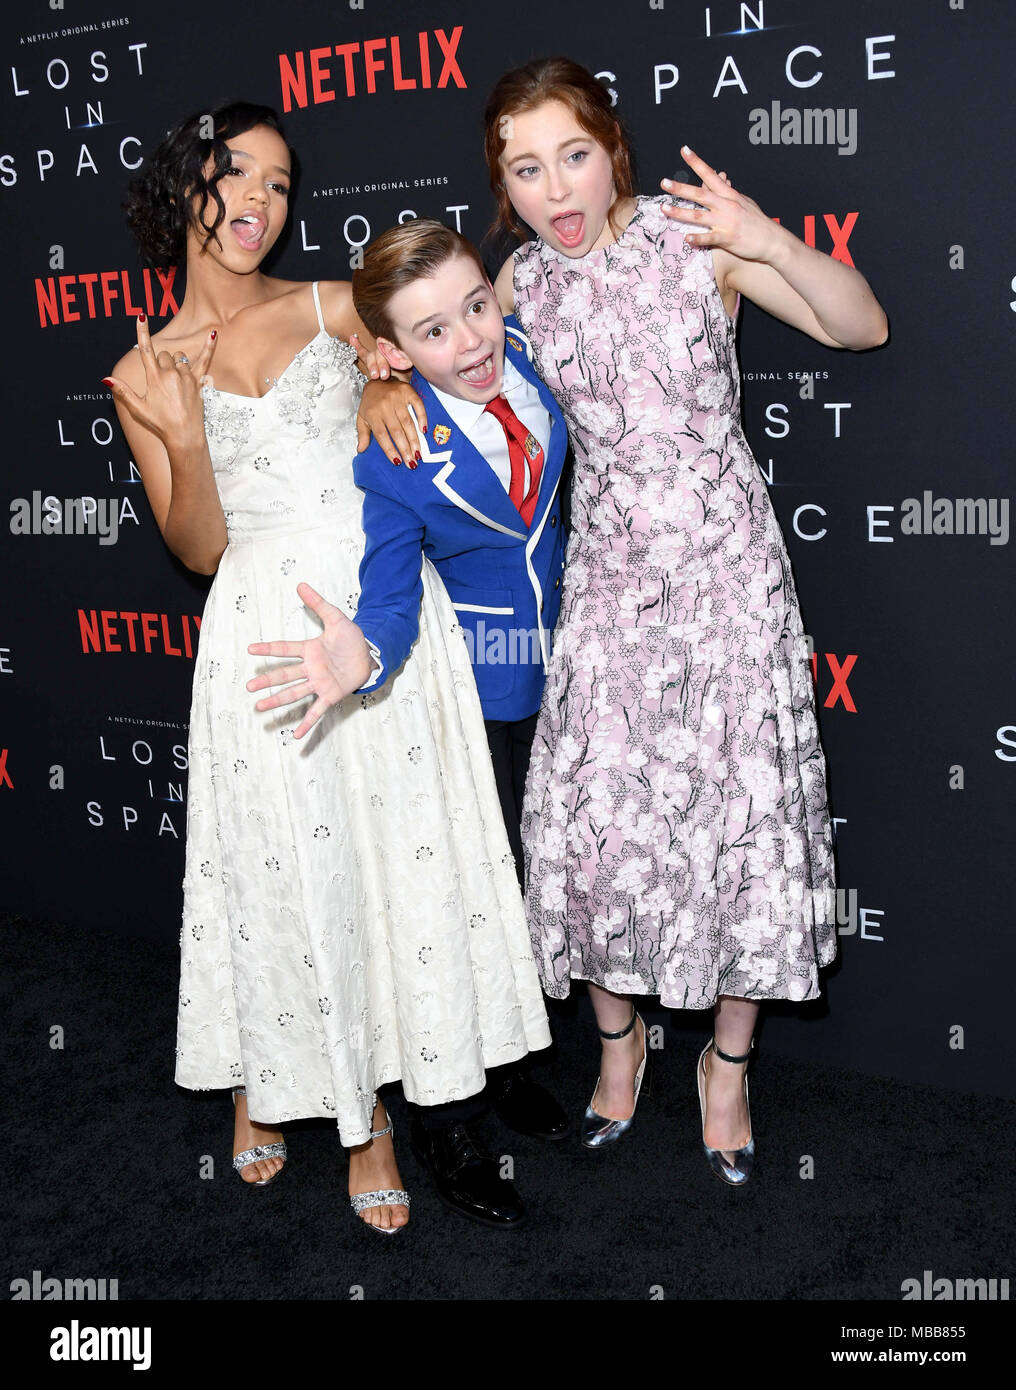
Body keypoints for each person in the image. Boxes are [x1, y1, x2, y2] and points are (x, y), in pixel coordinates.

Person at [103, 102, 550, 1234]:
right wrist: (187, 433)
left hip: (378, 609)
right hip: (261, 624)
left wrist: (379, 382)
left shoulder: (322, 299)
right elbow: (198, 548)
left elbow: (401, 365)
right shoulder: (139, 371)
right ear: (183, 187)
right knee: (282, 874)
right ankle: (305, 1094)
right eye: (233, 172)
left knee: (399, 864)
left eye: (280, 181)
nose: (259, 198)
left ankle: (401, 1099)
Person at [473, 56, 888, 1182]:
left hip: (725, 580)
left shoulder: (692, 235)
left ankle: (727, 1065)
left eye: (571, 154)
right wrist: (379, 370)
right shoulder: (516, 285)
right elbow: (432, 364)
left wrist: (767, 243)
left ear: (611, 148)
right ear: (502, 186)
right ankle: (619, 1046)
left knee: (742, 819)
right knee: (598, 823)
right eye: (524, 168)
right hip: (606, 586)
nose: (554, 188)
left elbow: (858, 327)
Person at [246, 218, 573, 1226]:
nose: (470, 341)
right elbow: (387, 591)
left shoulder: (525, 357)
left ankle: (512, 1063)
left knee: (526, 886)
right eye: (431, 332)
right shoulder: (393, 447)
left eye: (476, 307)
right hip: (460, 699)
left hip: (565, 681)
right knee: (459, 905)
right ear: (389, 350)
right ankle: (446, 1118)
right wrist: (364, 655)